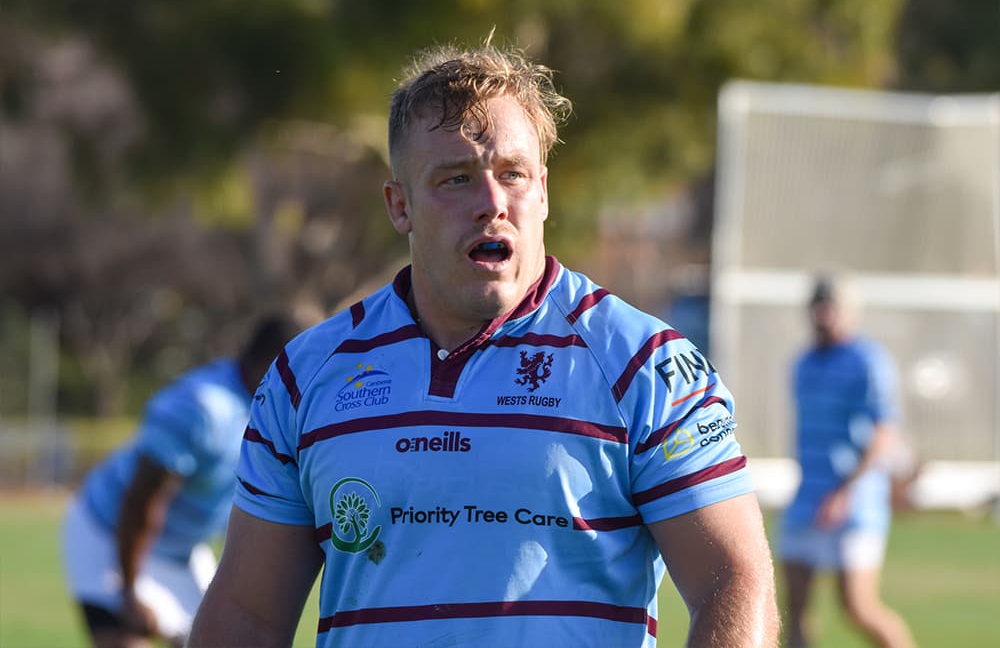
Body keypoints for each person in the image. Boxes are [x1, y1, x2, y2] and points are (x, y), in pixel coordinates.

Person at [189, 38, 779, 648]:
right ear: (400, 207)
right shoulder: (305, 377)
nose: (493, 203)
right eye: (456, 179)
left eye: (513, 175)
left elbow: (734, 583)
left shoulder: (645, 365)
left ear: (543, 192)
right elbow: (246, 616)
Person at [61, 314, 300, 648]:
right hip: (110, 535)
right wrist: (130, 591)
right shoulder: (203, 408)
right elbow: (141, 500)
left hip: (182, 548)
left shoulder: (278, 407)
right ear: (278, 360)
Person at [779, 273, 916, 648]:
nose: (825, 314)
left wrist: (847, 491)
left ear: (850, 312)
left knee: (858, 607)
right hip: (808, 496)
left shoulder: (867, 360)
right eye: (819, 305)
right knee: (792, 611)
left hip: (855, 500)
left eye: (833, 306)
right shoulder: (803, 363)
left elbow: (885, 432)